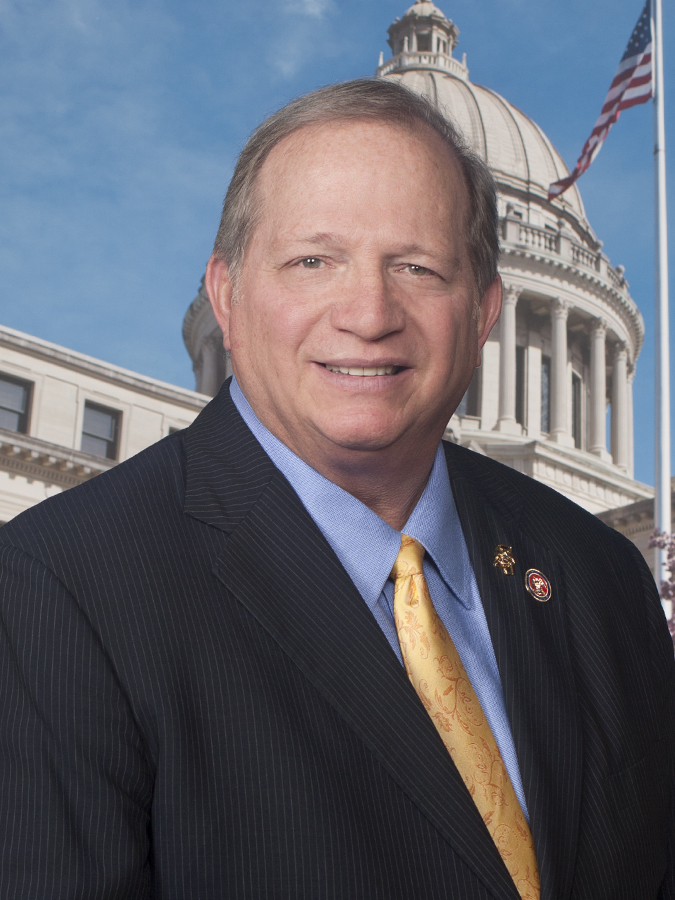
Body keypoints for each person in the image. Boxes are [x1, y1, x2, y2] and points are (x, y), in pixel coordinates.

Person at [1, 78, 673, 900]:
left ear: (485, 309)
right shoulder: (57, 588)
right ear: (227, 296)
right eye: (313, 260)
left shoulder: (597, 573)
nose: (367, 312)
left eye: (418, 266)